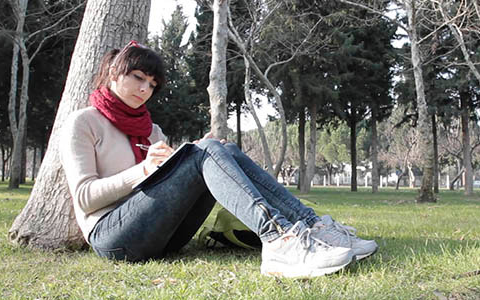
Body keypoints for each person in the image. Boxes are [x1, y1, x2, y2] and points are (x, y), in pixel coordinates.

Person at [60, 40, 377, 278]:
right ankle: (278, 241)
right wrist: (142, 170)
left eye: (152, 85)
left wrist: (183, 157)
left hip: (165, 237)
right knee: (205, 153)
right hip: (112, 237)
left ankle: (311, 226)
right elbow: (85, 198)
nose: (144, 89)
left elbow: (165, 184)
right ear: (113, 72)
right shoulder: (84, 122)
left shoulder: (151, 129)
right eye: (138, 77)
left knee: (222, 149)